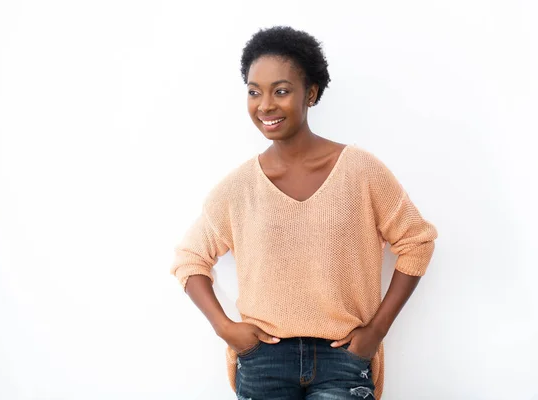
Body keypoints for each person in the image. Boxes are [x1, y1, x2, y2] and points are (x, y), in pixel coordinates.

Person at [170, 26, 438, 400]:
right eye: (253, 91)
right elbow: (189, 259)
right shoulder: (238, 187)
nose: (265, 105)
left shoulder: (360, 171)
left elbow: (417, 241)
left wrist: (377, 331)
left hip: (342, 358)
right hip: (263, 362)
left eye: (281, 90)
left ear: (310, 94)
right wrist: (223, 326)